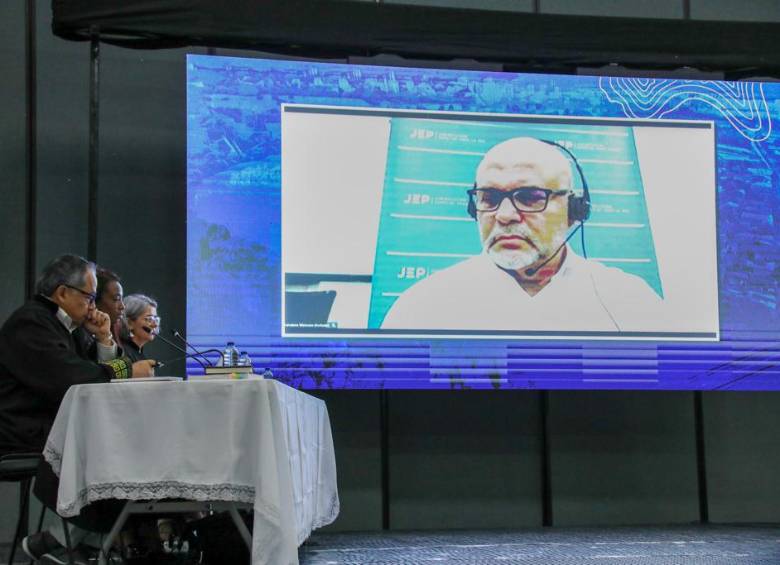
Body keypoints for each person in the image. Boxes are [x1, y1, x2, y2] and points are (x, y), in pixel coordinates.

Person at [381, 137, 664, 333]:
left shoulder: (631, 303)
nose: (504, 215)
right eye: (489, 197)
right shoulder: (420, 308)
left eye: (529, 197)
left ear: (574, 209)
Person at [0, 254, 156, 564]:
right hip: (21, 432)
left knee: (124, 443)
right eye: (90, 296)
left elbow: (93, 374)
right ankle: (96, 539)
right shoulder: (31, 322)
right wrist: (126, 371)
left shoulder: (67, 328)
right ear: (62, 293)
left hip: (53, 425)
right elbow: (71, 378)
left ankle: (86, 539)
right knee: (114, 446)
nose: (94, 305)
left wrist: (104, 337)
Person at [117, 294, 160, 363]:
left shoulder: (138, 353)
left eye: (156, 319)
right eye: (149, 319)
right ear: (129, 323)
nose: (155, 325)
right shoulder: (121, 352)